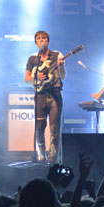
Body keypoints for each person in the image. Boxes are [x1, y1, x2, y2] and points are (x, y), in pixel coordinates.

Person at [24, 31, 66, 163]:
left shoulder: (57, 55)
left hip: (54, 95)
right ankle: (41, 156)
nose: (42, 40)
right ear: (36, 43)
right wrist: (36, 78)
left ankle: (53, 159)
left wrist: (61, 67)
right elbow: (26, 79)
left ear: (48, 41)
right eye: (39, 39)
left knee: (54, 128)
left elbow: (63, 75)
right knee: (39, 128)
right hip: (40, 95)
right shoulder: (33, 58)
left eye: (44, 38)